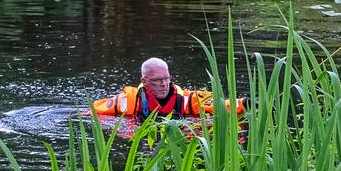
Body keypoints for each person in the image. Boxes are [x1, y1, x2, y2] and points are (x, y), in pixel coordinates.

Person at [92, 58, 244, 121]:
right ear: (144, 81)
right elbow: (93, 112)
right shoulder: (127, 102)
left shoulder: (187, 99)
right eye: (157, 80)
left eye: (166, 78)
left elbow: (222, 105)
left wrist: (245, 103)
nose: (164, 83)